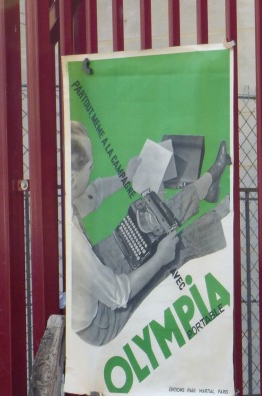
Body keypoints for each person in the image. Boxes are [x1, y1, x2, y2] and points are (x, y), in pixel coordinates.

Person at [69, 121, 232, 346]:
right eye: (90, 168)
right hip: (100, 321)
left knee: (155, 218)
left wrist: (126, 177)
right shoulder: (74, 243)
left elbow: (94, 193)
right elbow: (119, 295)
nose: (92, 171)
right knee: (171, 252)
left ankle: (208, 183)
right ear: (72, 178)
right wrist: (159, 259)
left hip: (91, 286)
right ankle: (223, 213)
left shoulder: (62, 200)